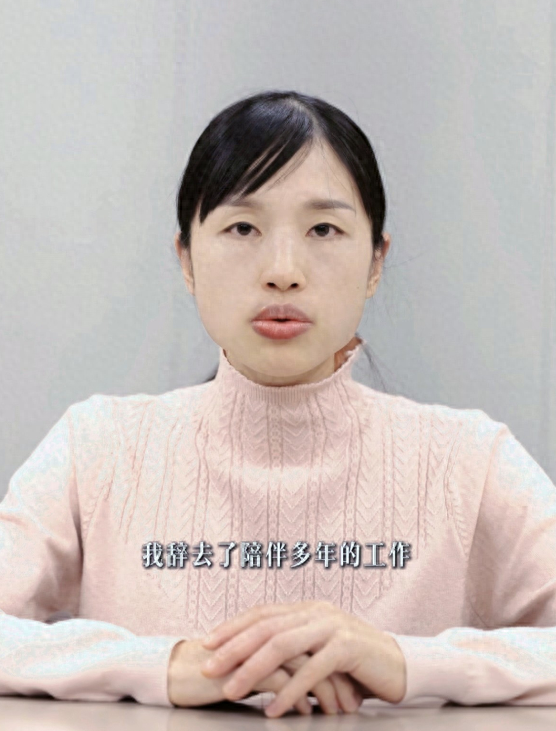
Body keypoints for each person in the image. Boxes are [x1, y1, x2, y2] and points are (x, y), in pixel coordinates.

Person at [1, 90, 555, 719]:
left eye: (324, 229)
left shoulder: (470, 461)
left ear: (376, 262)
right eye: (242, 227)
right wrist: (172, 665)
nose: (283, 270)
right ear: (186, 259)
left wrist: (403, 661)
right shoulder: (97, 446)